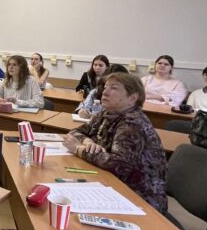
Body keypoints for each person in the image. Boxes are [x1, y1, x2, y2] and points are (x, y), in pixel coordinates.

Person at [62, 72, 167, 212]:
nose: (105, 92)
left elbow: (119, 164)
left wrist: (79, 149)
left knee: (68, 206)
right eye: (106, 87)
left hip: (140, 198)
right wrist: (87, 141)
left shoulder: (133, 122)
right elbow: (74, 133)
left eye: (114, 88)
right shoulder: (107, 113)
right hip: (110, 182)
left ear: (132, 98)